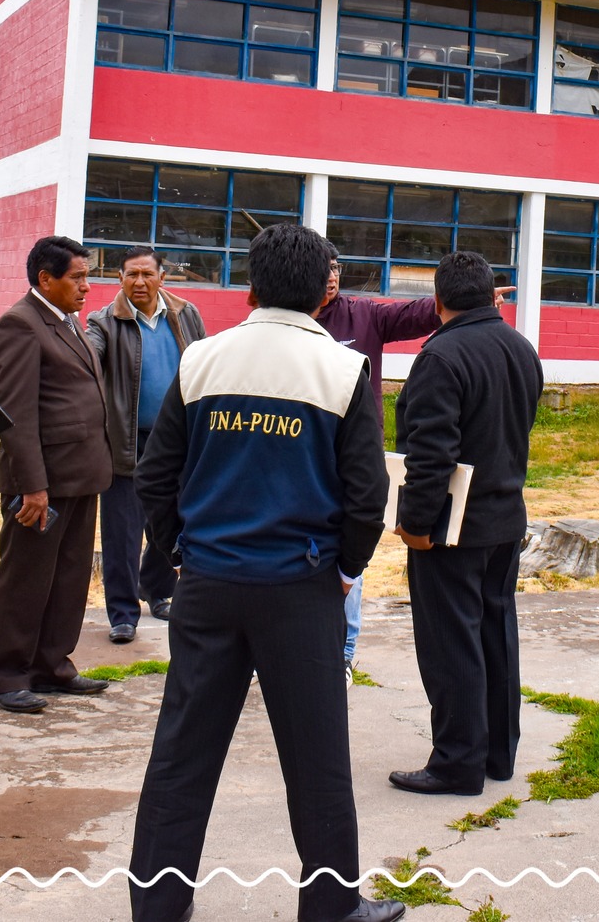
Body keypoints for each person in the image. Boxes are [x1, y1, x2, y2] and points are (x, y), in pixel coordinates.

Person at [129, 224, 401, 922]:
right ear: (323, 293)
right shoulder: (342, 372)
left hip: (210, 584)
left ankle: (157, 907)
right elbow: (366, 496)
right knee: (317, 759)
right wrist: (345, 570)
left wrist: (183, 552)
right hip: (301, 588)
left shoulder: (202, 361)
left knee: (181, 755)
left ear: (249, 288)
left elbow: (155, 478)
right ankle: (332, 906)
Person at [387, 251, 543, 797]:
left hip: (452, 528)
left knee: (451, 644)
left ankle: (456, 763)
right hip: (505, 520)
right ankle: (496, 754)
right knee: (495, 635)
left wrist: (415, 524)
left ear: (438, 301)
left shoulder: (442, 355)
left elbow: (431, 454)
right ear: (491, 295)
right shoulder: (521, 348)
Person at [315, 249, 513, 674]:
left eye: (335, 269)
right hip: (303, 452)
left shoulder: (364, 316)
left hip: (354, 455)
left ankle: (342, 653)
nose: (330, 278)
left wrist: (477, 300)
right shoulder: (292, 325)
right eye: (322, 270)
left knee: (351, 547)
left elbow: (420, 312)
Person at [0, 236, 115, 713]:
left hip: (81, 475)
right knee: (26, 578)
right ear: (45, 279)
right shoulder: (20, 325)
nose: (87, 286)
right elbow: (16, 413)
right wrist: (31, 486)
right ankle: (5, 676)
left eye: (86, 275)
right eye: (77, 277)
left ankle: (51, 665)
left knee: (69, 576)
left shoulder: (68, 322)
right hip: (44, 484)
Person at [85, 247, 205, 643]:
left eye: (146, 275)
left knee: (170, 520)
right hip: (126, 440)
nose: (139, 282)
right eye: (131, 275)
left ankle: (156, 588)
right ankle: (122, 612)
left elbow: (203, 364)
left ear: (161, 278)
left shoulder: (186, 314)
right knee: (122, 530)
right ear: (119, 278)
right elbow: (87, 361)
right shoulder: (103, 322)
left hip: (177, 440)